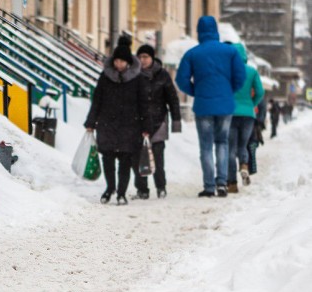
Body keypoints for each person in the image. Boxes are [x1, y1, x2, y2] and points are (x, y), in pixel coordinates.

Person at [175, 16, 246, 198]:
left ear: (199, 32)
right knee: (222, 143)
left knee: (206, 146)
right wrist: (228, 91)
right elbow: (240, 77)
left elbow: (181, 80)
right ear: (216, 31)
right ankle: (222, 183)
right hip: (225, 105)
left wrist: (195, 91)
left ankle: (208, 186)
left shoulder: (193, 53)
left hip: (203, 105)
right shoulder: (230, 52)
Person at [84, 35, 151, 205]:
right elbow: (97, 100)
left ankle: (121, 192)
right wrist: (91, 122)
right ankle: (110, 188)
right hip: (107, 124)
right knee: (107, 158)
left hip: (130, 126)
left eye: (122, 61)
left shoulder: (138, 79)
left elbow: (144, 104)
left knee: (125, 161)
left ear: (128, 62)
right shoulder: (106, 77)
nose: (119, 64)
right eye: (117, 61)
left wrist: (146, 126)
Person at [133, 44, 182, 199]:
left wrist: (176, 120)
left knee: (158, 157)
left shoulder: (162, 75)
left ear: (152, 58)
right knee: (138, 157)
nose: (143, 60)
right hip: (138, 122)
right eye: (140, 57)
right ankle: (142, 189)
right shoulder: (133, 75)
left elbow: (172, 99)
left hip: (158, 120)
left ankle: (161, 187)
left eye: (145, 57)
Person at [226, 43, 264, 193]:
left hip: (230, 114)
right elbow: (260, 92)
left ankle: (232, 184)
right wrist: (251, 104)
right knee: (243, 145)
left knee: (230, 149)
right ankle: (244, 165)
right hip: (248, 114)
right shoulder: (252, 71)